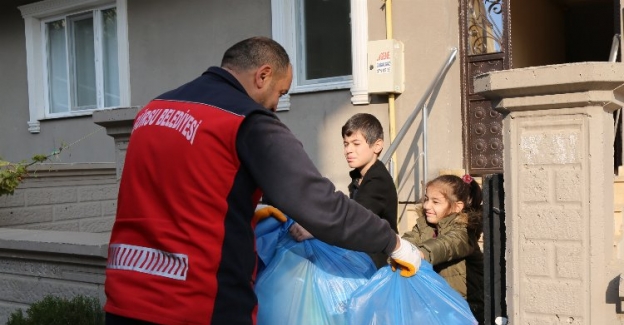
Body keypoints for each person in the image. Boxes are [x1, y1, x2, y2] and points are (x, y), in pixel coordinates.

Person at [103, 36, 421, 325]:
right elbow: (321, 205)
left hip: (125, 298)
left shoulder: (152, 112)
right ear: (263, 76)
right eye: (280, 93)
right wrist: (392, 242)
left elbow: (181, 194)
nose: (276, 105)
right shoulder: (246, 120)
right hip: (198, 305)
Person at [290, 112, 398, 269]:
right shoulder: (359, 177)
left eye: (356, 143)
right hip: (363, 257)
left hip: (377, 266)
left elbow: (354, 221)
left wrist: (314, 229)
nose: (348, 150)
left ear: (377, 145)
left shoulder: (377, 180)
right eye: (346, 144)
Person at [401, 174, 485, 324]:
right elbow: (408, 242)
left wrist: (421, 253)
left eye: (436, 202)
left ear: (457, 207)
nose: (427, 206)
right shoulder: (423, 226)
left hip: (466, 308)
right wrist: (396, 251)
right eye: (426, 199)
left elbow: (447, 244)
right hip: (437, 306)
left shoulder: (464, 231)